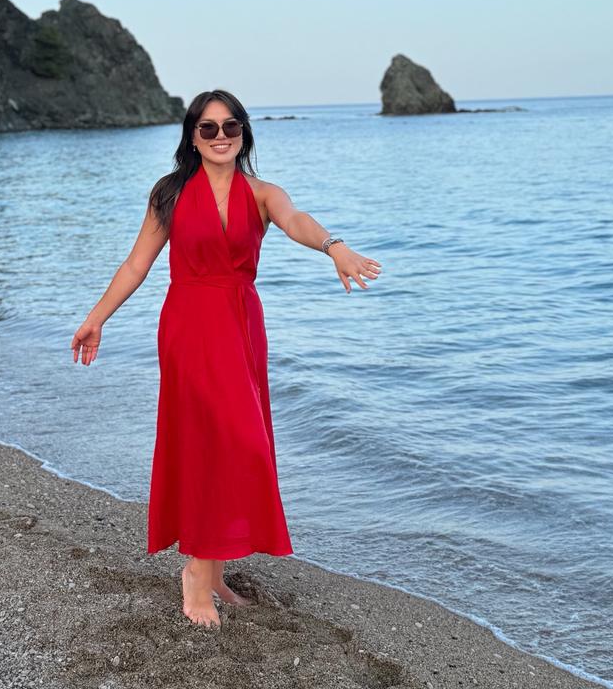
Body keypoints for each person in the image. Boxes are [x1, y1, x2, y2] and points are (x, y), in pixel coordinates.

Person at [71, 89, 382, 628]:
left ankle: (212, 570)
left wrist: (334, 246)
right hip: (189, 326)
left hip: (240, 327)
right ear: (193, 137)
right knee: (209, 441)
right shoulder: (169, 193)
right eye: (208, 128)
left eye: (230, 126)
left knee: (242, 443)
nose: (220, 137)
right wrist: (97, 317)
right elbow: (137, 264)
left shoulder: (263, 194)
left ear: (243, 133)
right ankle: (197, 573)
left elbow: (296, 220)